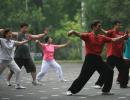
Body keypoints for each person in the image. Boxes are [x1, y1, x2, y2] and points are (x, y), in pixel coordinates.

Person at [66, 20, 127, 96]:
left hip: (98, 59)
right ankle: (71, 90)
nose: (100, 28)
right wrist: (72, 31)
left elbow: (113, 40)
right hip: (90, 59)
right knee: (83, 77)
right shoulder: (88, 36)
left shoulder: (102, 37)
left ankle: (106, 90)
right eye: (99, 26)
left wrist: (123, 37)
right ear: (94, 27)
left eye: (101, 26)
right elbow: (79, 34)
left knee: (109, 72)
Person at [94, 20, 129, 89]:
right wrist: (100, 28)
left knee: (125, 69)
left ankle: (123, 84)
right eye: (118, 25)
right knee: (107, 70)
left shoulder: (121, 33)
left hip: (119, 56)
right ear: (115, 25)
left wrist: (126, 35)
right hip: (112, 55)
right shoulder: (111, 32)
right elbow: (105, 32)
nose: (120, 26)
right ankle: (98, 84)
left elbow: (126, 38)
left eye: (120, 25)